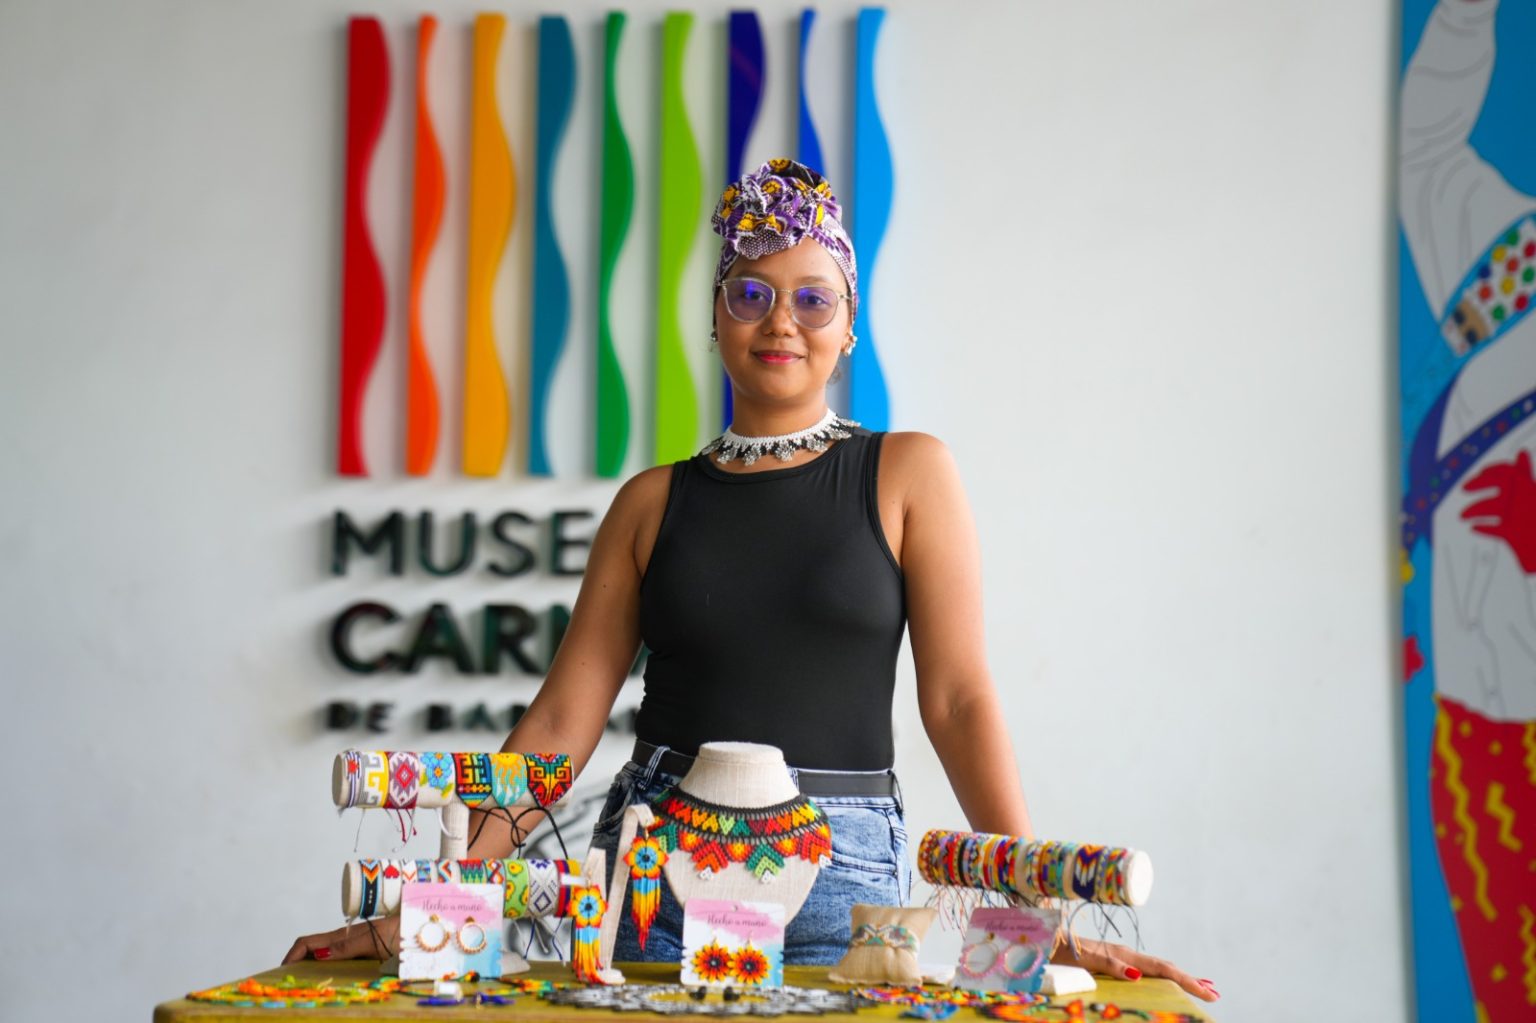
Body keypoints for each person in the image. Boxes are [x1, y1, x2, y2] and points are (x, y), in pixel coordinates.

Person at [286, 158, 1217, 1004]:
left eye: (814, 299)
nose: (781, 320)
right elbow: (562, 724)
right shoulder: (650, 503)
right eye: (752, 293)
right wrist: (436, 902)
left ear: (849, 327)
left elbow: (958, 701)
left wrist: (1042, 907)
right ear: (715, 317)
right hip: (649, 868)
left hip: (842, 873)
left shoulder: (908, 474)